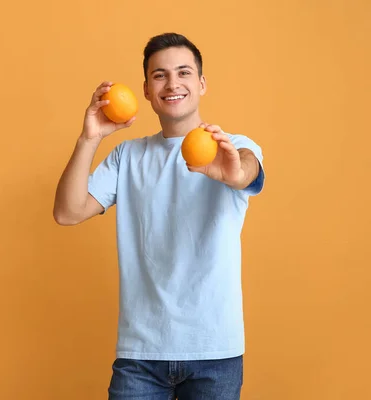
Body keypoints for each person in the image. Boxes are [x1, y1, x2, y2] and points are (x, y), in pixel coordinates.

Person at [53, 32, 265, 400]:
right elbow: (67, 212)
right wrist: (89, 138)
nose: (172, 84)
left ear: (201, 84)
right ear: (147, 90)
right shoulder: (127, 157)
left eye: (184, 73)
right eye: (159, 75)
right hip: (141, 356)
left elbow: (246, 169)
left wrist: (232, 172)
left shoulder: (233, 148)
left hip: (215, 352)